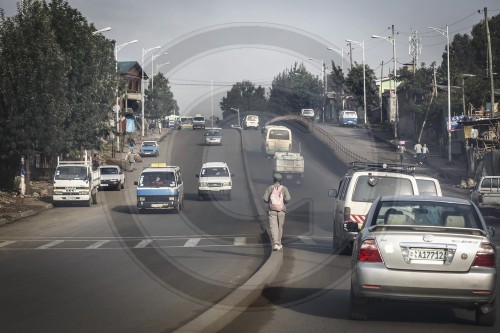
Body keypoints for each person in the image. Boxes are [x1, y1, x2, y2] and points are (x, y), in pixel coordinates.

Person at [262, 173, 291, 251]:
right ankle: (279, 243)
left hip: (272, 210)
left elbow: (264, 198)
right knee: (280, 227)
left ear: (273, 179)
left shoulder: (270, 188)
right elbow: (288, 198)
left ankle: (275, 243)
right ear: (281, 180)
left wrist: (270, 201)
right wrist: (283, 202)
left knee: (273, 227)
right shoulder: (284, 188)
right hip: (282, 211)